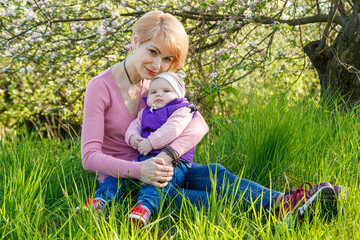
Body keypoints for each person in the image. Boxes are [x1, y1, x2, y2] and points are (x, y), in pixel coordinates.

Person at [78, 10, 342, 227]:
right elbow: (89, 157)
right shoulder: (100, 87)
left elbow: (197, 122)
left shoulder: (157, 85)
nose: (157, 66)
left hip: (162, 165)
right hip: (124, 183)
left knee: (214, 172)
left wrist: (167, 155)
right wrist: (140, 170)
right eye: (152, 52)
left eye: (167, 58)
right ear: (135, 42)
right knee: (186, 198)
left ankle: (289, 203)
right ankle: (283, 215)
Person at [86, 71, 199, 227]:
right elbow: (134, 126)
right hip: (144, 158)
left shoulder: (182, 109)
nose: (159, 94)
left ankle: (144, 208)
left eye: (166, 91)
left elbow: (173, 129)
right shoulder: (145, 111)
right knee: (117, 176)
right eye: (154, 92)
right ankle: (101, 201)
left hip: (173, 161)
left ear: (178, 94)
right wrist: (133, 138)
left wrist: (150, 142)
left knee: (159, 181)